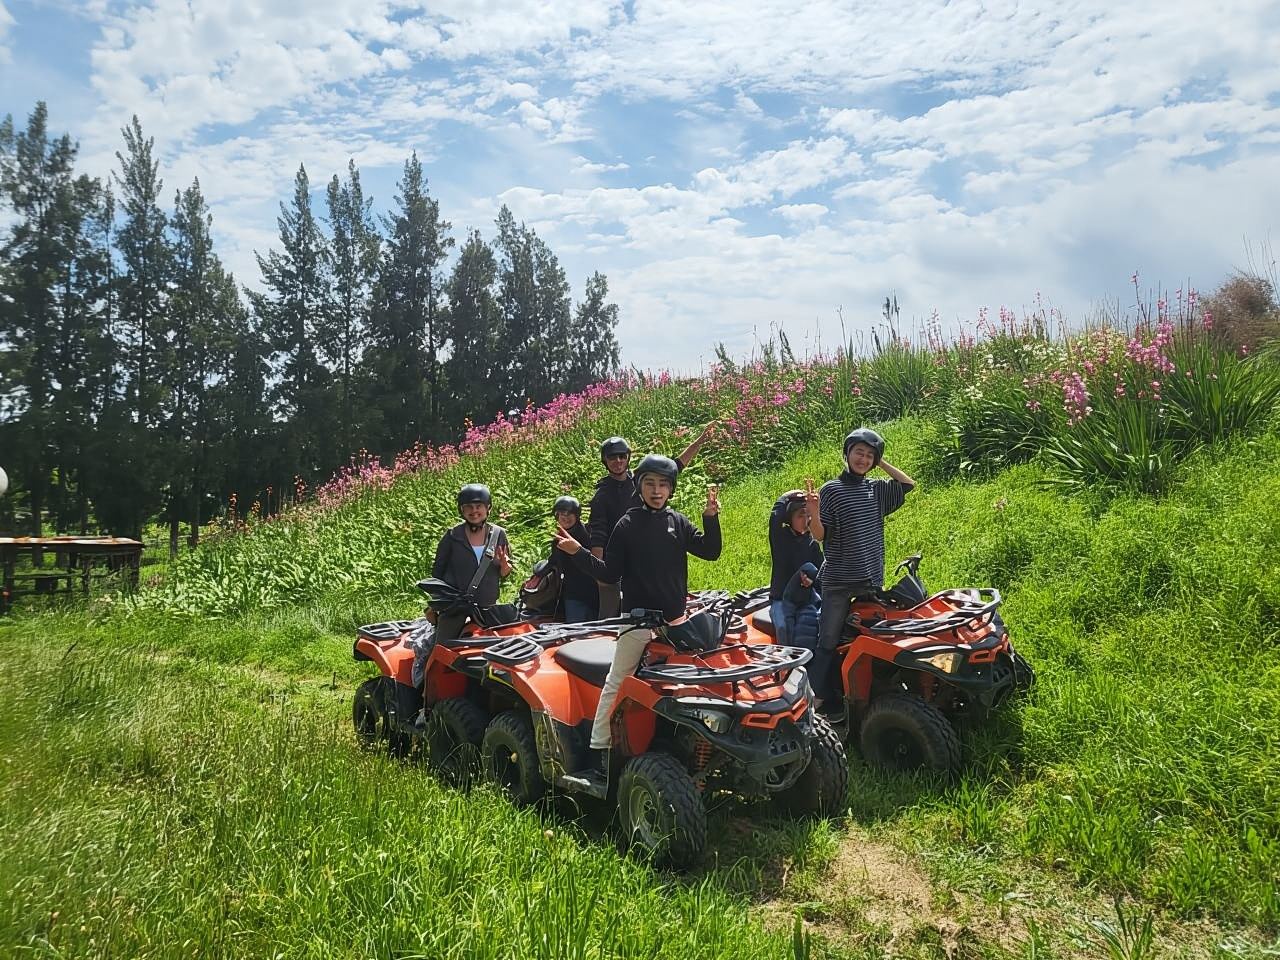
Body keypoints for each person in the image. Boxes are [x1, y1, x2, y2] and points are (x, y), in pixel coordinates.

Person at [554, 454, 722, 785]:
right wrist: (578, 553)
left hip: (675, 621)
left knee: (692, 679)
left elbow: (711, 551)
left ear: (671, 489)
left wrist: (710, 518)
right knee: (618, 679)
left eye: (663, 485)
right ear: (640, 486)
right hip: (637, 621)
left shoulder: (678, 521)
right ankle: (599, 746)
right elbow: (609, 573)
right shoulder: (627, 525)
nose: (656, 490)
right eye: (649, 484)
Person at [806, 429, 915, 709]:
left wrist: (881, 462)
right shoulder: (832, 490)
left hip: (869, 578)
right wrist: (814, 512)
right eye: (859, 452)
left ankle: (870, 692)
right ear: (847, 454)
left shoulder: (875, 489)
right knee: (828, 640)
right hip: (840, 580)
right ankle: (816, 699)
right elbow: (820, 536)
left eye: (870, 455)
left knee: (873, 636)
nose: (863, 459)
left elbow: (907, 484)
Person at [587, 422, 717, 617]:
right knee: (610, 612)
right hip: (620, 555)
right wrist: (600, 573)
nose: (618, 461)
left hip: (649, 550)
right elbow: (598, 534)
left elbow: (675, 466)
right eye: (612, 457)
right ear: (604, 461)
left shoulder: (643, 479)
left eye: (623, 456)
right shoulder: (602, 496)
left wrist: (698, 442)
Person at [430, 483, 514, 642]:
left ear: (488, 508)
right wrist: (433, 606)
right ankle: (424, 666)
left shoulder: (498, 534)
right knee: (443, 646)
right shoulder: (453, 535)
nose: (474, 511)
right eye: (468, 506)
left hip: (486, 605)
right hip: (455, 605)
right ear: (462, 510)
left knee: (491, 650)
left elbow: (505, 572)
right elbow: (437, 573)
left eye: (478, 506)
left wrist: (505, 567)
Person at [768, 490, 824, 647]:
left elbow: (821, 573)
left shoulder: (812, 542)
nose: (805, 520)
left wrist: (812, 581)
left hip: (806, 599)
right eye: (800, 515)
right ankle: (786, 667)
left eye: (808, 515)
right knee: (783, 626)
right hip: (781, 598)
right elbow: (774, 518)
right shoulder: (781, 538)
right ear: (790, 519)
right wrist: (786, 496)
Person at [546, 495, 598, 623]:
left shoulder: (587, 534)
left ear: (577, 515)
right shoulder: (558, 538)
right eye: (561, 514)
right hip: (571, 594)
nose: (565, 517)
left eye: (570, 514)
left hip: (590, 593)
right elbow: (555, 562)